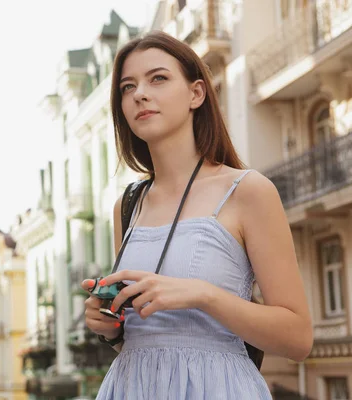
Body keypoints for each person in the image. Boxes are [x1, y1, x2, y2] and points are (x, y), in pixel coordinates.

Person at [80, 31, 313, 399]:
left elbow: (299, 338)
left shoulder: (248, 191)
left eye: (158, 78)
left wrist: (203, 295)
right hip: (131, 387)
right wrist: (109, 328)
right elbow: (145, 343)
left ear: (196, 94)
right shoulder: (128, 204)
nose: (140, 93)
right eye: (127, 87)